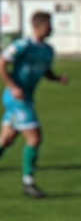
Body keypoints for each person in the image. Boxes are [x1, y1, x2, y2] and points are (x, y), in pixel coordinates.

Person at [0, 11, 68, 199]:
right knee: (35, 138)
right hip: (17, 98)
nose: (52, 29)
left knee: (7, 139)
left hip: (27, 97)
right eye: (49, 25)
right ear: (39, 27)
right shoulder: (22, 45)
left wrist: (56, 78)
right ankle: (28, 182)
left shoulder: (48, 50)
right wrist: (13, 87)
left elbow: (45, 71)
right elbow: (2, 63)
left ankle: (28, 181)